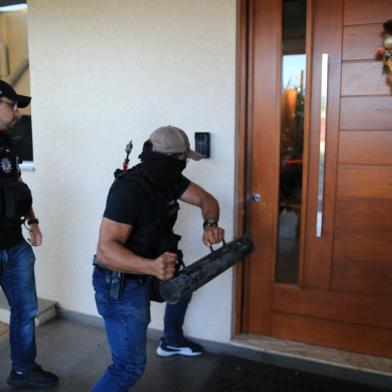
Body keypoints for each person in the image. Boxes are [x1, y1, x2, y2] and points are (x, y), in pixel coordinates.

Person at [92, 125, 224, 391]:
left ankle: (172, 340)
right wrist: (151, 266)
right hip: (121, 283)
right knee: (128, 368)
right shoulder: (129, 190)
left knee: (184, 284)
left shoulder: (169, 180)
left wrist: (209, 224)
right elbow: (106, 252)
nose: (185, 164)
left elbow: (207, 199)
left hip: (152, 271)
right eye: (183, 159)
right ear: (169, 160)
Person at [0, 80, 59, 389]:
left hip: (14, 245)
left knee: (25, 310)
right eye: (12, 104)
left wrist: (33, 222)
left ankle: (22, 369)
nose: (17, 110)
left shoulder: (9, 143)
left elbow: (19, 188)